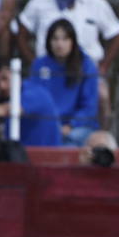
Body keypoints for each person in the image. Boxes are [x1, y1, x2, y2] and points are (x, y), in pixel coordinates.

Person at [18, 0, 119, 122]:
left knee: (102, 94)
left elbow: (117, 33)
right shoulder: (39, 2)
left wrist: (104, 65)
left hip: (86, 70)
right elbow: (21, 33)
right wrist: (34, 63)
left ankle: (100, 140)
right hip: (49, 71)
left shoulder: (95, 1)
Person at [0, 56, 62, 148]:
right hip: (20, 157)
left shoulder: (35, 92)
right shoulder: (7, 97)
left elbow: (8, 109)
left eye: (5, 78)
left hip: (44, 159)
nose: (1, 86)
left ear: (16, 74)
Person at [28, 18, 99, 147]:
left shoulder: (87, 65)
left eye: (65, 39)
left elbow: (89, 107)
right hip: (46, 125)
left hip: (76, 127)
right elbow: (33, 100)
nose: (59, 44)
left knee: (70, 142)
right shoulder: (39, 64)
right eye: (55, 39)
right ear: (49, 41)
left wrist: (70, 125)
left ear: (73, 41)